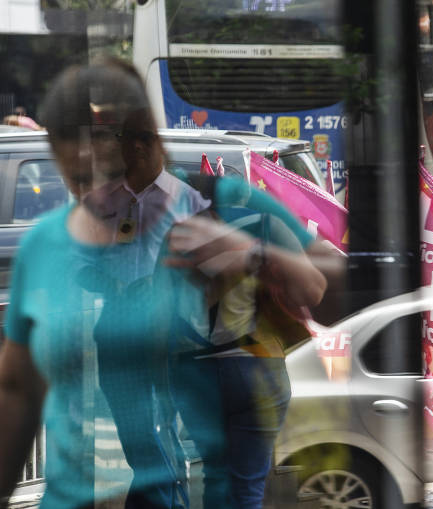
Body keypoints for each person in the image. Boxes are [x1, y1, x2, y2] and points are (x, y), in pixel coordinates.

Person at [0, 58, 331, 509]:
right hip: (169, 356)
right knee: (203, 474)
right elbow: (18, 386)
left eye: (112, 140)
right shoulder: (89, 215)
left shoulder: (208, 202)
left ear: (142, 143)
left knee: (215, 478)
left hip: (209, 361)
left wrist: (250, 257)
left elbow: (318, 280)